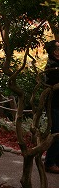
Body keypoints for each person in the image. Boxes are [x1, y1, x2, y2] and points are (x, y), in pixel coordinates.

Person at [44, 40, 59, 174]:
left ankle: (56, 161)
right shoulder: (52, 66)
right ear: (54, 51)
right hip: (55, 105)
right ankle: (49, 163)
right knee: (56, 133)